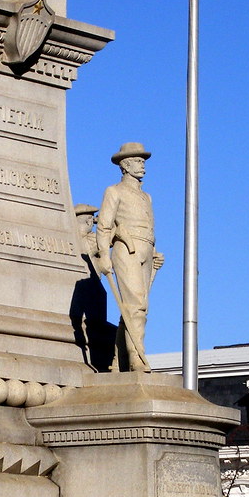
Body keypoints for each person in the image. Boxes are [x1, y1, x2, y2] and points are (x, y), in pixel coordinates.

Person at [93, 142, 163, 372]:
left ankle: (119, 360)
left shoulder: (147, 197)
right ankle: (137, 358)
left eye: (143, 162)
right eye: (138, 161)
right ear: (125, 165)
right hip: (126, 249)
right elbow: (103, 226)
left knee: (138, 307)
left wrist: (154, 254)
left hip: (146, 250)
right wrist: (104, 255)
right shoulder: (114, 191)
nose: (142, 166)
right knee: (136, 305)